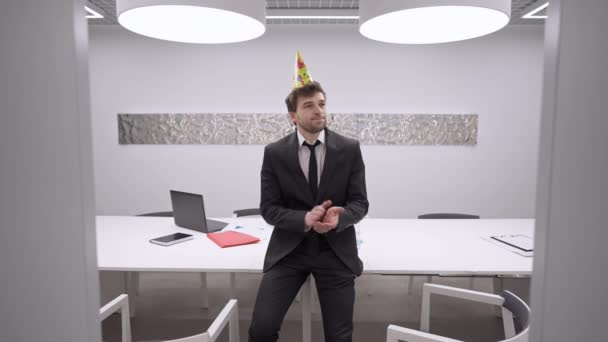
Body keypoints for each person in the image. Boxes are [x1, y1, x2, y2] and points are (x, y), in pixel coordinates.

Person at [248, 52, 369, 342]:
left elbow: (360, 203)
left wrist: (340, 216)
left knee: (340, 337)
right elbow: (269, 209)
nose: (319, 111)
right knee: (260, 331)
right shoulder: (274, 153)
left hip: (335, 250)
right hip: (290, 250)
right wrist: (303, 218)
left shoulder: (349, 148)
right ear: (293, 115)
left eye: (322, 104)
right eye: (309, 105)